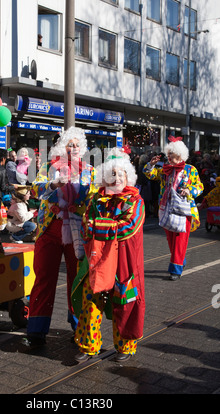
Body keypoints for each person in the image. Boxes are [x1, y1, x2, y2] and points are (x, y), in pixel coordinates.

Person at [25, 126, 97, 346]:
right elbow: (35, 189)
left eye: (77, 145)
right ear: (62, 146)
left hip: (77, 230)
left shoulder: (90, 171)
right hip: (50, 229)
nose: (73, 148)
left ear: (82, 148)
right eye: (69, 144)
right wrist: (53, 184)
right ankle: (36, 329)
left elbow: (93, 198)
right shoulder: (49, 166)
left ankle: (78, 325)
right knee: (44, 277)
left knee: (77, 280)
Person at [71, 149, 145, 363]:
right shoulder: (96, 200)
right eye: (112, 173)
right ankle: (88, 346)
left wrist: (99, 226)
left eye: (121, 173)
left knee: (123, 302)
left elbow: (128, 228)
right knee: (90, 303)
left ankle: (125, 346)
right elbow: (87, 225)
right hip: (97, 262)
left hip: (123, 263)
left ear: (128, 176)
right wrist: (99, 227)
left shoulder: (135, 201)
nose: (117, 177)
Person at [143, 136, 204, 280]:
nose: (169, 156)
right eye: (168, 153)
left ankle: (175, 270)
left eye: (172, 153)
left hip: (184, 210)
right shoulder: (166, 169)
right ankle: (180, 261)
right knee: (171, 240)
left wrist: (190, 190)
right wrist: (151, 165)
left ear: (180, 155)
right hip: (167, 209)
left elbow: (200, 186)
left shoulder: (191, 170)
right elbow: (150, 175)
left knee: (180, 239)